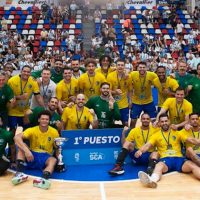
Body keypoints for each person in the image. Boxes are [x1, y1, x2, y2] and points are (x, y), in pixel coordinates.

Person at [136, 113, 200, 188]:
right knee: (158, 166)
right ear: (159, 123)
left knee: (192, 165)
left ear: (169, 121)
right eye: (162, 122)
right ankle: (152, 180)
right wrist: (140, 150)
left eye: (166, 121)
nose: (164, 123)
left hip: (179, 159)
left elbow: (191, 140)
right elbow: (148, 145)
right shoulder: (156, 135)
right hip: (166, 160)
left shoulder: (177, 132)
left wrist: (197, 141)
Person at [12, 110, 59, 190]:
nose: (44, 121)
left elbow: (57, 147)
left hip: (45, 156)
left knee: (53, 160)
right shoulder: (32, 130)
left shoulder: (54, 132)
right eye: (42, 119)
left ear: (49, 121)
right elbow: (16, 137)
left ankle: (43, 179)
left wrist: (60, 160)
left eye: (46, 119)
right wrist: (27, 151)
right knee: (22, 147)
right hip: (32, 155)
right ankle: (20, 173)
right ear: (39, 120)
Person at [7, 65, 44, 132]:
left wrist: (44, 108)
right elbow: (8, 97)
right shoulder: (11, 81)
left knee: (25, 132)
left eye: (28, 72)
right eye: (24, 71)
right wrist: (19, 97)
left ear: (30, 73)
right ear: (21, 71)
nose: (26, 73)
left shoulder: (33, 81)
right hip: (13, 111)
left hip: (25, 111)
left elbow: (38, 97)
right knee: (14, 131)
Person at [130, 61, 158, 128]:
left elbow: (160, 81)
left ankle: (156, 135)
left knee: (154, 120)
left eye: (143, 67)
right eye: (140, 67)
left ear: (146, 68)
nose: (142, 69)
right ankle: (131, 133)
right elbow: (125, 77)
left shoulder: (152, 75)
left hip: (148, 102)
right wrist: (130, 101)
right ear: (137, 68)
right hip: (136, 102)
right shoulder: (132, 74)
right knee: (133, 120)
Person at [107, 59, 132, 126]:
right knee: (111, 123)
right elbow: (108, 90)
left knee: (126, 123)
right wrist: (114, 92)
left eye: (122, 65)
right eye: (118, 65)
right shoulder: (110, 76)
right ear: (116, 66)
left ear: (124, 67)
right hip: (113, 103)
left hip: (124, 104)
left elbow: (130, 90)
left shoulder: (128, 77)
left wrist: (130, 101)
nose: (120, 67)